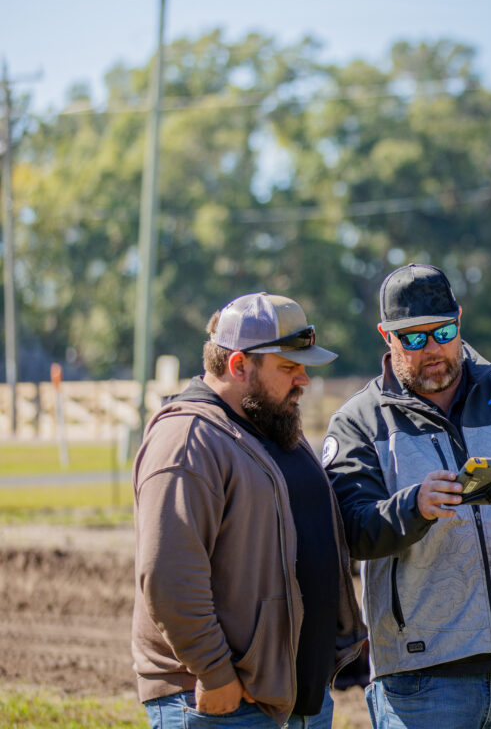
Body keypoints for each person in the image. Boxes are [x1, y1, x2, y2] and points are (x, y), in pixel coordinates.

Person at [322, 263, 491, 729]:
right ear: (385, 336)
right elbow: (349, 530)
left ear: (460, 320)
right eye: (413, 337)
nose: (432, 348)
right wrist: (414, 507)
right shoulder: (359, 422)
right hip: (420, 681)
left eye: (444, 331)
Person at [132, 292, 366, 729]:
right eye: (289, 368)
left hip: (298, 701)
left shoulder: (276, 429)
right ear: (239, 365)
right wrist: (215, 673)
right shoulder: (189, 439)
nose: (304, 381)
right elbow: (168, 576)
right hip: (226, 704)